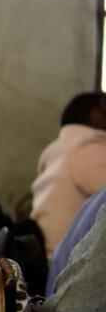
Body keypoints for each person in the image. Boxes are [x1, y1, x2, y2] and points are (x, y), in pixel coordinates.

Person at [30, 92, 106, 257]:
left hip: (47, 259)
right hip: (69, 264)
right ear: (95, 113)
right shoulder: (89, 147)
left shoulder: (54, 149)